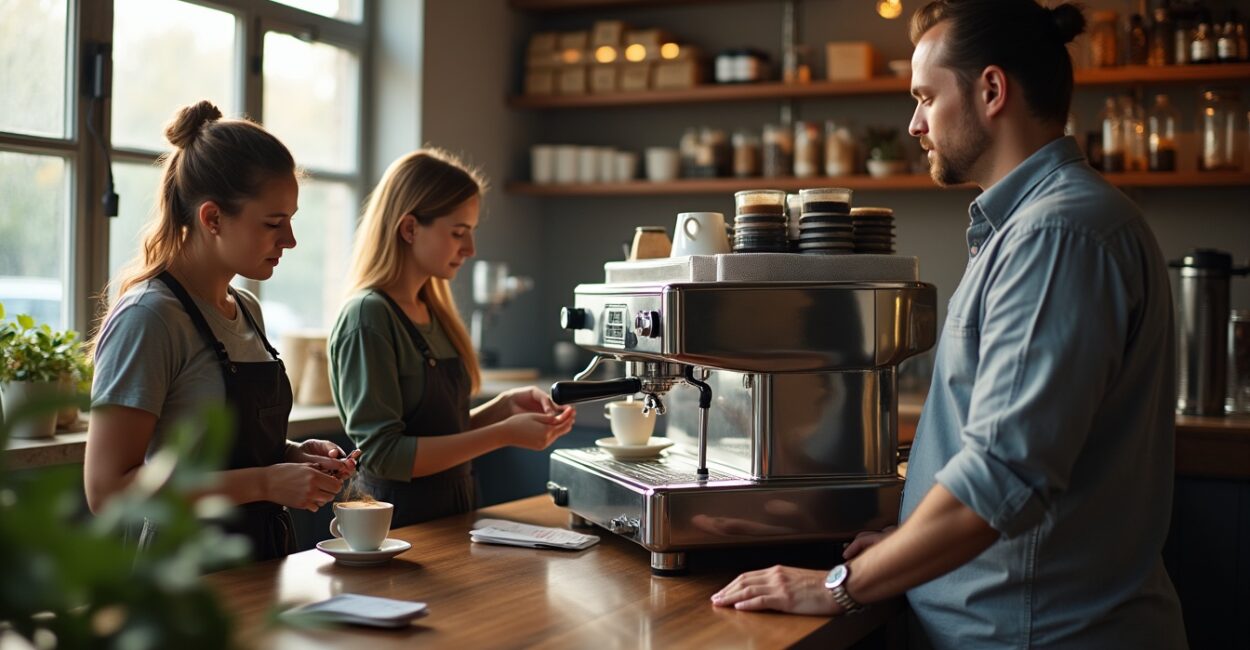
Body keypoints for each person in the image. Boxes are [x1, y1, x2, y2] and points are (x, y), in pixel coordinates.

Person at [712, 2, 1189, 647]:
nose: (913, 124)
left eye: (926, 97)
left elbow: (1001, 478)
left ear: (991, 91)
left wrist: (834, 585)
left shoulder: (1057, 235)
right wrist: (911, 548)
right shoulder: (1029, 229)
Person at [85, 100, 357, 561]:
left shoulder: (246, 309)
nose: (290, 240)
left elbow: (206, 450)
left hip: (262, 562)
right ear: (212, 218)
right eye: (274, 223)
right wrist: (265, 481)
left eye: (291, 220)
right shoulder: (149, 317)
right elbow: (108, 492)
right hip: (181, 579)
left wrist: (290, 454)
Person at [328, 149, 575, 528]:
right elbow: (383, 454)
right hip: (397, 526)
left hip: (454, 512)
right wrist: (502, 434)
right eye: (458, 233)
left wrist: (504, 409)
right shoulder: (368, 317)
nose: (470, 249)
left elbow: (439, 436)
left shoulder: (433, 312)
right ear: (409, 229)